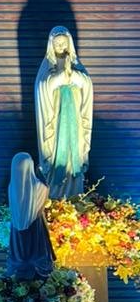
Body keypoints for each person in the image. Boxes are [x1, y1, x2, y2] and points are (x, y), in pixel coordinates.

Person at [34, 25, 93, 199]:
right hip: (56, 121)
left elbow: (87, 85)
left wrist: (73, 76)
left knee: (74, 155)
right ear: (51, 46)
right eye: (57, 44)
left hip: (74, 121)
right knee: (56, 155)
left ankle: (75, 195)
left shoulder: (76, 66)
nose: (61, 47)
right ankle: (56, 198)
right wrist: (59, 78)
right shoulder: (47, 67)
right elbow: (42, 88)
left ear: (70, 44)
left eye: (64, 43)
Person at [6, 152, 54, 279]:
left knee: (20, 264)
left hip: (16, 232)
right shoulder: (38, 186)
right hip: (35, 228)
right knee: (36, 263)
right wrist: (41, 174)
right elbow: (45, 189)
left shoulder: (12, 186)